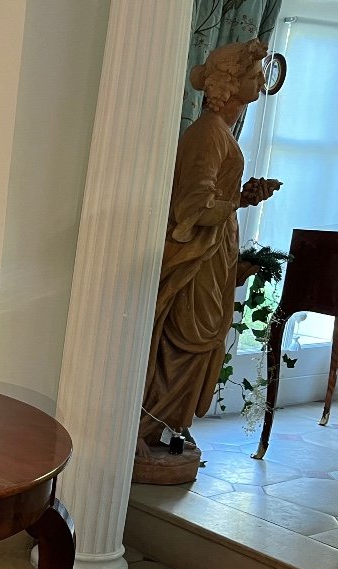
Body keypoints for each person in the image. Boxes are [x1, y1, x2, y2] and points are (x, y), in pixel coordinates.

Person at [137, 39, 281, 456]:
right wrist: (239, 199)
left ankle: (168, 428)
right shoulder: (207, 134)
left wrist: (244, 197)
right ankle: (146, 428)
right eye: (253, 75)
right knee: (182, 343)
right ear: (230, 83)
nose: (260, 81)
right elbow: (191, 205)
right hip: (194, 257)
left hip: (213, 254)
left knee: (198, 343)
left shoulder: (221, 132)